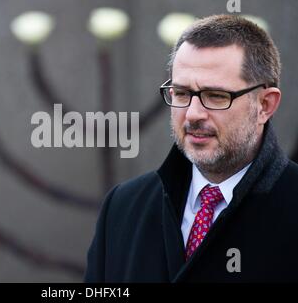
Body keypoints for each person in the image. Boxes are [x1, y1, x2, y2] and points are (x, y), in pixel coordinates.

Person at [84, 14, 298, 282]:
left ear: (265, 105)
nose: (193, 114)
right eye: (182, 93)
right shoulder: (123, 207)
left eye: (216, 96)